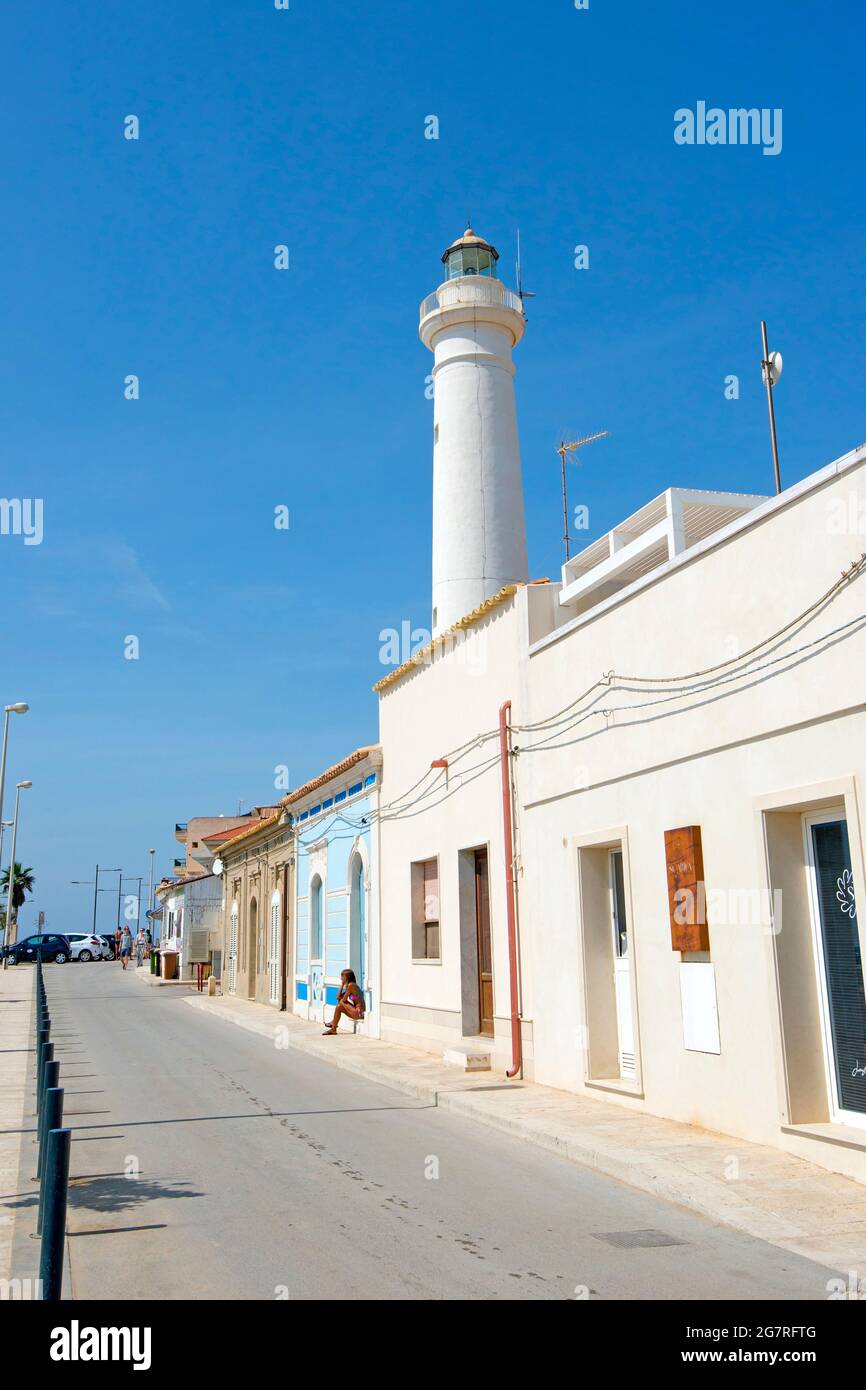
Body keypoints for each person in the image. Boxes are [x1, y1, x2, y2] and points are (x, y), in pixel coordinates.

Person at [323, 969, 365, 1035]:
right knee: (339, 1006)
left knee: (340, 1002)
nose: (341, 978)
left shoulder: (351, 985)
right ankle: (333, 1028)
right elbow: (338, 996)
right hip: (357, 1012)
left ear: (348, 977)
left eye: (343, 976)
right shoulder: (351, 986)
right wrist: (342, 985)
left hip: (358, 1012)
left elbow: (342, 999)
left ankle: (333, 1023)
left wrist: (342, 985)